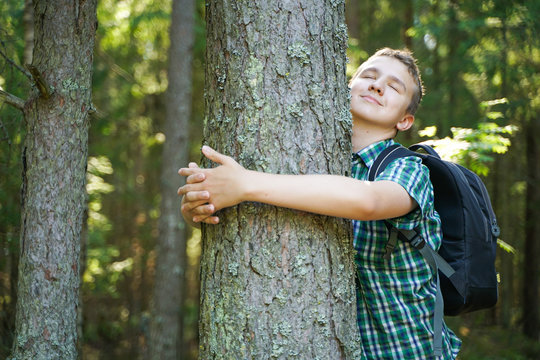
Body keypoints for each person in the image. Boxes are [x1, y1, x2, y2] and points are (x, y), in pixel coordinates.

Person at [178, 48, 461, 359]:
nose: (377, 85)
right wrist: (203, 204)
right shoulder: (319, 155)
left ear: (405, 120)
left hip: (410, 351)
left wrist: (245, 184)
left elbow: (368, 201)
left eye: (394, 87)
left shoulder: (407, 169)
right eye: (368, 76)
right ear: (346, 88)